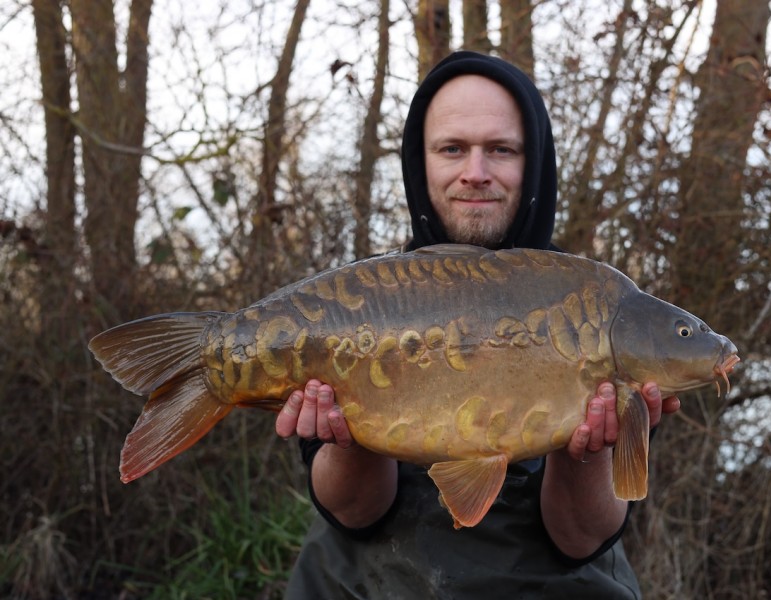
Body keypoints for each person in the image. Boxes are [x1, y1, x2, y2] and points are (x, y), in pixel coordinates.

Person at [276, 51, 679, 599]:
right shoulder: (357, 307)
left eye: (501, 149)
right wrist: (351, 439)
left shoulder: (602, 313)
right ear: (421, 164)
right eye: (452, 149)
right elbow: (353, 512)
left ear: (533, 162)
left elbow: (581, 537)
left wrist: (584, 453)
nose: (476, 172)